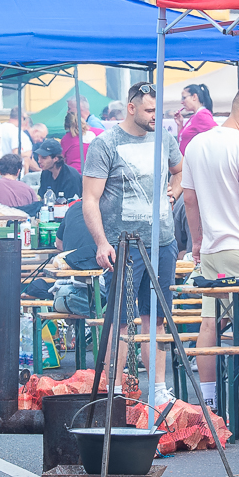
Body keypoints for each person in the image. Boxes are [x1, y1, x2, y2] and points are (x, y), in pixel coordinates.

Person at [81, 82, 185, 404]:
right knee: (122, 320)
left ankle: (158, 389)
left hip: (163, 241)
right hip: (124, 245)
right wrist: (101, 242)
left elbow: (179, 170)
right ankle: (114, 389)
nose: (156, 116)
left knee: (157, 318)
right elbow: (90, 199)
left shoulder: (165, 138)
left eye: (158, 110)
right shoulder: (105, 144)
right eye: (150, 110)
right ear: (131, 108)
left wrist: (175, 189)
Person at [181, 84, 239, 416]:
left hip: (210, 250)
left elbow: (189, 199)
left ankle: (209, 405)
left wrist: (196, 240)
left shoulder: (196, 144)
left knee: (210, 323)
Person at [33, 138, 83, 207]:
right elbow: (43, 199)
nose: (39, 161)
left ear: (56, 158)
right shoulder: (45, 172)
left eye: (44, 158)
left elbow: (73, 206)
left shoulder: (71, 177)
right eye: (39, 157)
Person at [176, 84, 217, 155]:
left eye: (184, 98)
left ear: (194, 97)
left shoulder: (202, 115)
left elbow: (217, 133)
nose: (181, 102)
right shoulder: (194, 117)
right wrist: (180, 125)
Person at [61, 109, 102, 174]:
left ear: (67, 126)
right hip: (99, 173)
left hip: (75, 175)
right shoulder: (100, 132)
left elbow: (61, 158)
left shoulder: (66, 139)